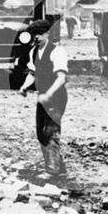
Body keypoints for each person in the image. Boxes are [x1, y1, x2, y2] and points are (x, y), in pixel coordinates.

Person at [19, 19, 68, 179]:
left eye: (39, 34)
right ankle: (59, 167)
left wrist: (49, 94)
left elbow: (61, 78)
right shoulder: (34, 52)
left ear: (47, 34)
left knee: (51, 131)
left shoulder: (57, 51)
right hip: (43, 97)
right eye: (33, 35)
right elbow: (33, 73)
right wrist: (25, 86)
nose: (36, 38)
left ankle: (52, 170)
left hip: (56, 97)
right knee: (41, 132)